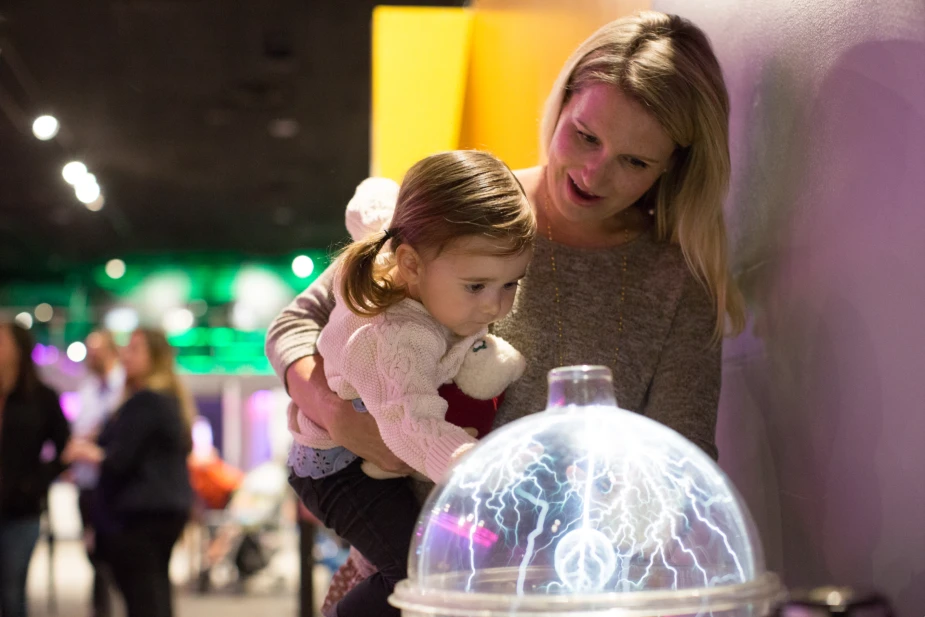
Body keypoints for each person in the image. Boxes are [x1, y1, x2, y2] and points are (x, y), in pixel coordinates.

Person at [267, 9, 746, 606]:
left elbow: (678, 466)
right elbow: (300, 320)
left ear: (673, 163)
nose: (595, 173)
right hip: (412, 571)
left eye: (636, 161)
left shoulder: (677, 281)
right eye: (586, 136)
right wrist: (339, 419)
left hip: (563, 591)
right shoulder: (478, 203)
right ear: (563, 103)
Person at [286, 150, 535, 617]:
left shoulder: (419, 267)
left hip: (367, 454)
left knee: (446, 552)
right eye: (477, 286)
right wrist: (476, 468)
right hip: (334, 468)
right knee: (417, 570)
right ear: (412, 264)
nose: (496, 307)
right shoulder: (399, 334)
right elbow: (410, 425)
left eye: (511, 284)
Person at [64, 329, 194, 617]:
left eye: (134, 349)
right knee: (155, 593)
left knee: (144, 599)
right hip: (160, 511)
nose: (125, 354)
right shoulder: (166, 399)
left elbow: (118, 460)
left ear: (155, 358)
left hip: (141, 515)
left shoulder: (147, 400)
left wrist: (82, 451)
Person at [0, 322, 71, 617]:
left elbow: (66, 449)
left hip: (21, 508)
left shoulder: (41, 397)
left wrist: (37, 480)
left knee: (12, 590)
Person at [72, 330, 125, 617]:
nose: (92, 357)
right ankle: (101, 608)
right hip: (86, 482)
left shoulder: (124, 386)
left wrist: (93, 438)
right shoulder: (88, 389)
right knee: (94, 553)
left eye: (97, 351)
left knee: (114, 554)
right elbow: (80, 434)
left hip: (113, 483)